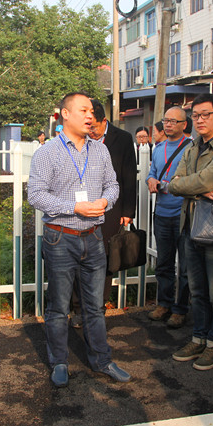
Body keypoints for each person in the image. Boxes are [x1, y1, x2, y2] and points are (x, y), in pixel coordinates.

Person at [27, 92, 131, 388]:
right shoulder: (47, 152)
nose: (90, 115)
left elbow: (113, 185)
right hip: (60, 237)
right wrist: (74, 207)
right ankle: (59, 362)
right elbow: (35, 195)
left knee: (95, 306)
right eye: (83, 110)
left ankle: (102, 359)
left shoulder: (100, 150)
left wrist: (105, 202)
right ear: (65, 114)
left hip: (94, 237)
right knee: (59, 307)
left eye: (92, 111)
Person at [160, 93, 213, 371]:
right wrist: (200, 190)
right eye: (195, 115)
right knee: (197, 290)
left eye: (206, 114)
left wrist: (193, 185)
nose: (200, 120)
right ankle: (199, 338)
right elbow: (173, 183)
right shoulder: (192, 146)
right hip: (190, 227)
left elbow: (203, 179)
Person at [78, 99, 137, 315]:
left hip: (112, 208)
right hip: (83, 207)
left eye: (94, 127)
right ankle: (77, 307)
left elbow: (129, 176)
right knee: (80, 257)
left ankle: (98, 307)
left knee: (105, 257)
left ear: (104, 121)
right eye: (88, 126)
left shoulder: (123, 139)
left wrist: (128, 211)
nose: (91, 131)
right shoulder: (80, 138)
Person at [146, 107, 192, 329]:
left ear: (184, 124)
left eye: (174, 121)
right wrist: (151, 180)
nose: (169, 124)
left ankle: (180, 309)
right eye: (166, 120)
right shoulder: (158, 148)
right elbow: (152, 173)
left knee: (185, 267)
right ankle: (163, 304)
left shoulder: (192, 147)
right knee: (164, 263)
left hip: (183, 215)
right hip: (162, 213)